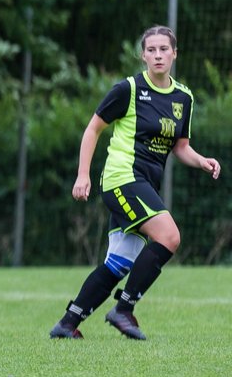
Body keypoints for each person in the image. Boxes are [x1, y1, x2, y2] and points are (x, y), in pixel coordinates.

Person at [49, 25, 220, 340]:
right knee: (169, 236)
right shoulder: (128, 89)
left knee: (119, 263)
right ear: (143, 55)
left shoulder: (184, 97)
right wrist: (83, 174)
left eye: (164, 49)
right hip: (121, 179)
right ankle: (124, 309)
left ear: (174, 54)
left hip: (144, 185)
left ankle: (67, 323)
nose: (157, 55)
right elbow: (93, 129)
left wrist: (202, 161)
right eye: (151, 50)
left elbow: (180, 147)